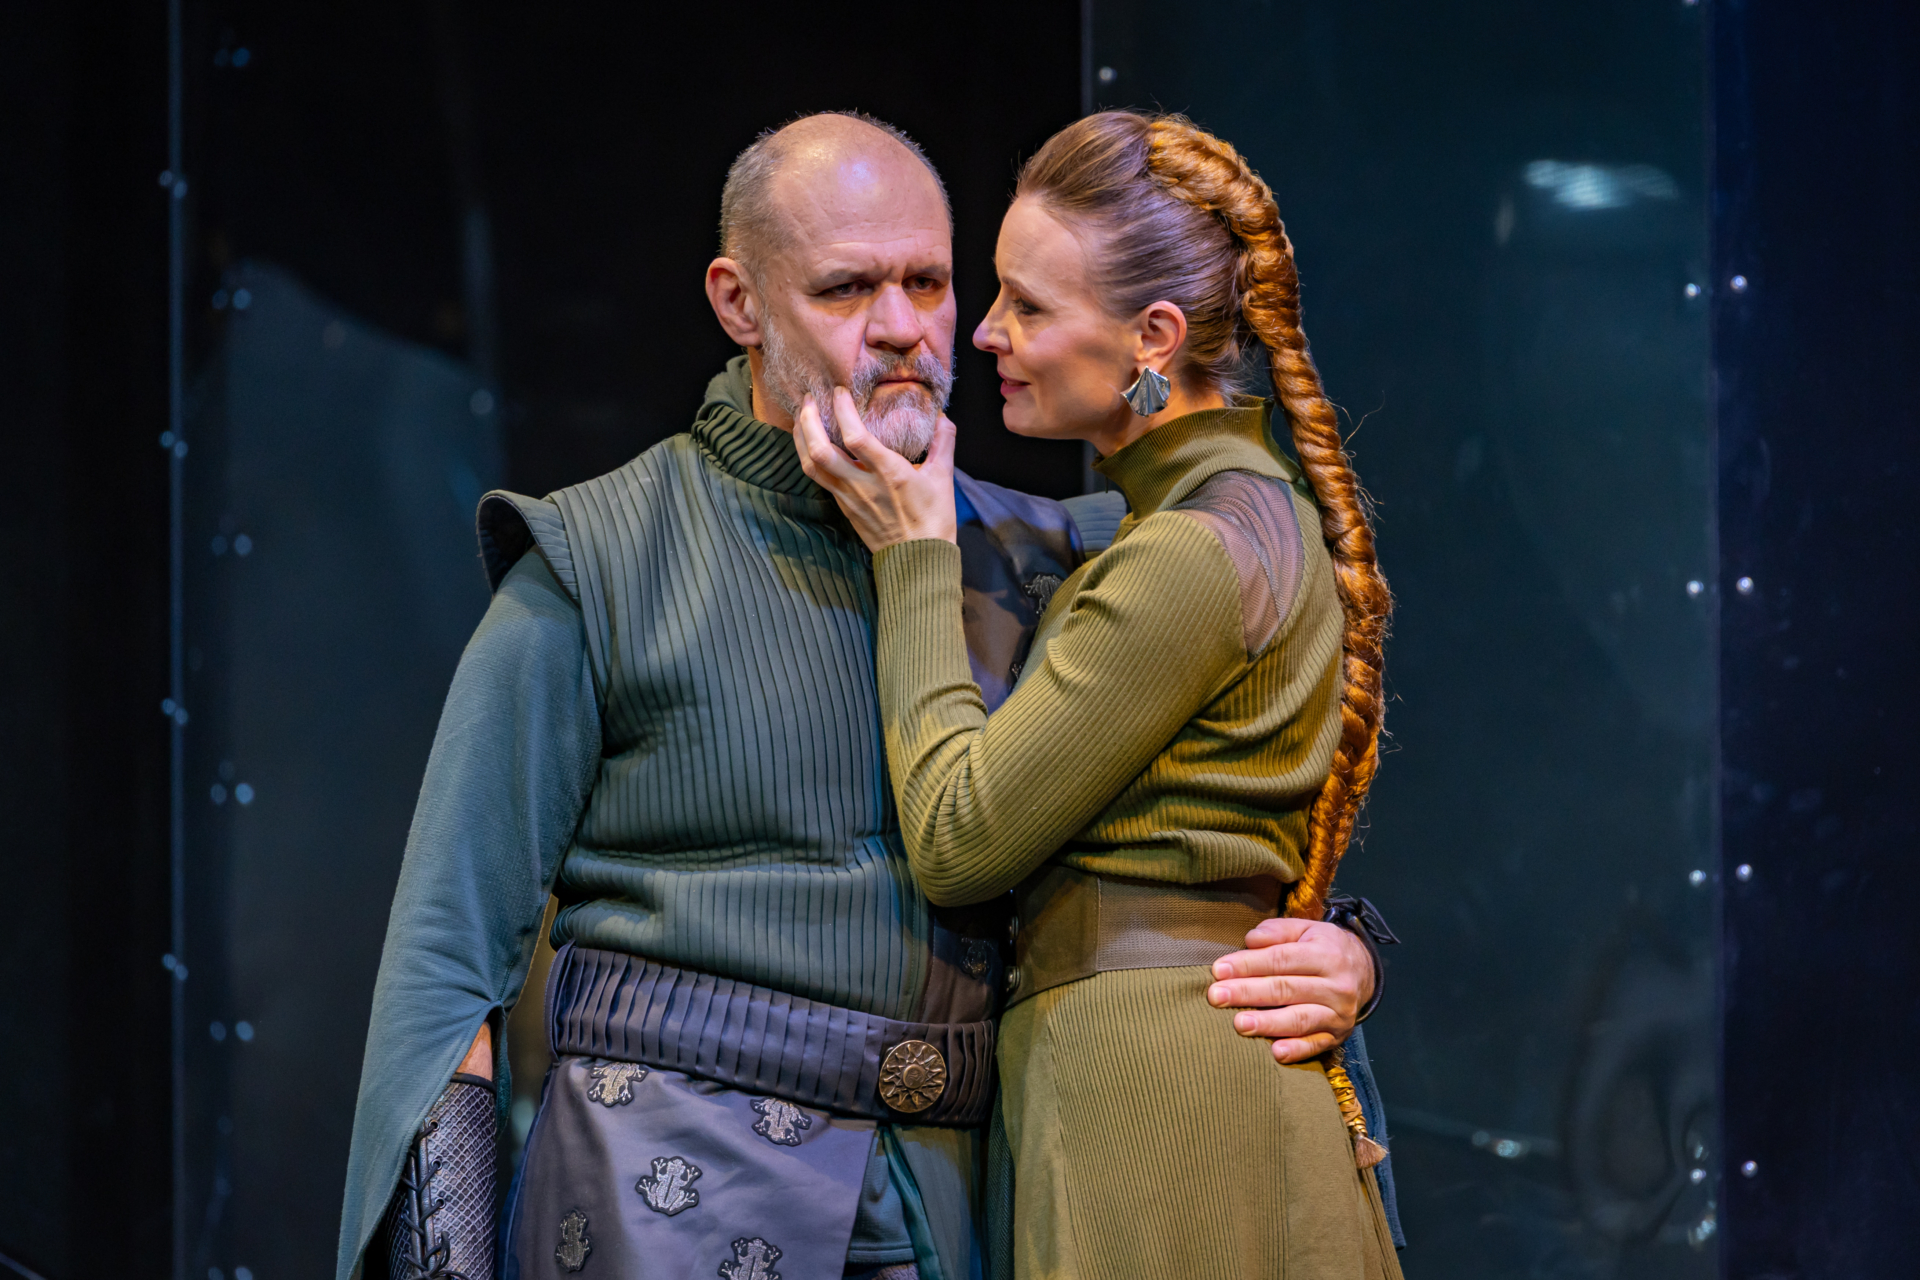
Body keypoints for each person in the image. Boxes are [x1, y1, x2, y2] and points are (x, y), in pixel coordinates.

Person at [336, 112, 1387, 1280]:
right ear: (739, 302)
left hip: (969, 1200)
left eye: (929, 282)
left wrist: (1332, 950)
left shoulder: (1062, 554)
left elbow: (1209, 812)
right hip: (672, 1200)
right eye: (846, 288)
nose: (903, 327)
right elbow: (446, 963)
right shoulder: (601, 561)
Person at [793, 110, 1401, 1279]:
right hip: (1174, 1065)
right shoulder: (1230, 517)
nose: (985, 332)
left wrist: (914, 555)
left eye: (1029, 305)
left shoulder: (1190, 550)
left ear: (1152, 338)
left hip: (1152, 1095)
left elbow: (961, 838)